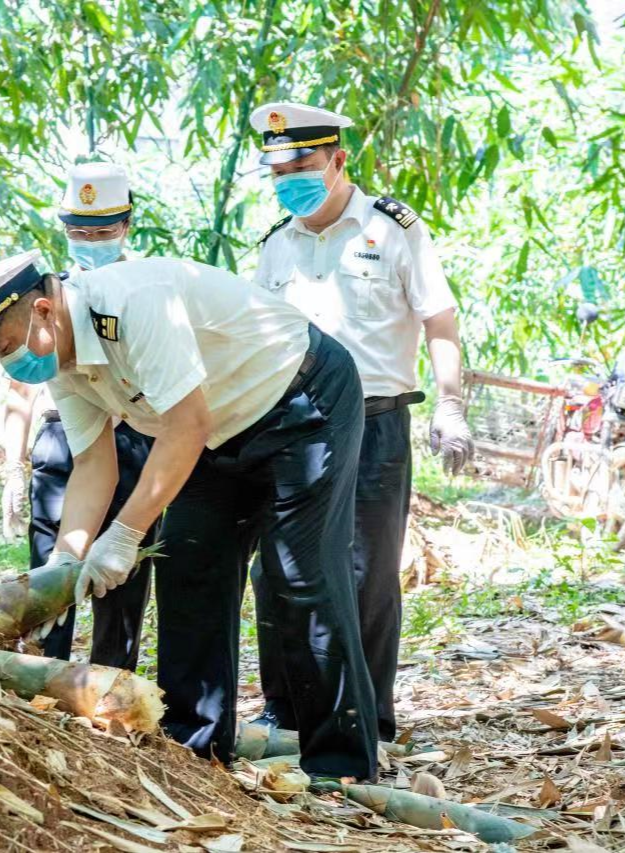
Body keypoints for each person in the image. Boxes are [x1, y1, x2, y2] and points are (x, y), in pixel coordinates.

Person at [0, 250, 379, 780]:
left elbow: (185, 423)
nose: (8, 362)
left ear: (45, 311)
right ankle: (196, 752)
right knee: (188, 573)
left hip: (299, 402)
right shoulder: (64, 367)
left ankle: (341, 765)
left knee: (301, 579)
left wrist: (123, 535)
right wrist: (63, 564)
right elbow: (95, 466)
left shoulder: (133, 304)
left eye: (5, 345)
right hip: (212, 437)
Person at [247, 103, 475, 742]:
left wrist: (451, 407)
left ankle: (367, 714)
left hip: (375, 426)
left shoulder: (393, 229)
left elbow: (440, 321)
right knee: (277, 569)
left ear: (338, 160)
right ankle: (285, 710)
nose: (289, 179)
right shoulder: (276, 244)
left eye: (302, 166)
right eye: (277, 170)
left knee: (365, 572)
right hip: (292, 423)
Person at [1, 162, 157, 671]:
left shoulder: (147, 292)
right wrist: (13, 465)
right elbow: (19, 391)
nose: (90, 240)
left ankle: (112, 681)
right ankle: (45, 675)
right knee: (53, 565)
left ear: (126, 225)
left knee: (123, 570)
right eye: (79, 231)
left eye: (102, 231)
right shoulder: (46, 300)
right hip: (61, 437)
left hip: (135, 436)